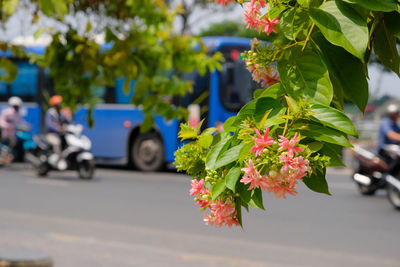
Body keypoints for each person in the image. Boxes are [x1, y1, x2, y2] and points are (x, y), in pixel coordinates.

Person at [45, 95, 70, 168]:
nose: (59, 106)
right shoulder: (50, 113)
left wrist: (76, 126)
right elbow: (49, 124)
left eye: (60, 104)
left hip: (61, 134)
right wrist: (57, 128)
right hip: (51, 135)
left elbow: (68, 121)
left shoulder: (62, 113)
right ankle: (60, 159)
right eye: (57, 104)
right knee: (57, 142)